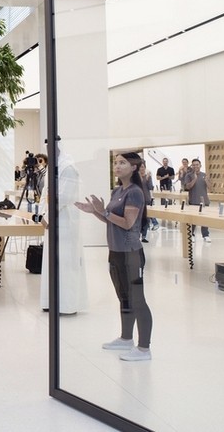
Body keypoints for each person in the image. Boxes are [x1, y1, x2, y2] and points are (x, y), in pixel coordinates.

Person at [74, 151, 153, 361]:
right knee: (123, 297)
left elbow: (127, 224)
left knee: (138, 300)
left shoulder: (135, 192)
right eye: (115, 163)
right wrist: (95, 211)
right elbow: (111, 220)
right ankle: (126, 339)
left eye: (122, 163)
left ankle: (144, 348)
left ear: (134, 167)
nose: (117, 166)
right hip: (115, 252)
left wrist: (105, 212)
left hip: (131, 253)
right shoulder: (117, 190)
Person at [40, 146, 88, 314]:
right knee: (51, 262)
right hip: (52, 220)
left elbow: (65, 197)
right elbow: (45, 194)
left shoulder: (68, 167)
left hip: (65, 222)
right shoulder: (50, 167)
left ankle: (67, 304)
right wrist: (42, 215)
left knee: (66, 262)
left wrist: (47, 216)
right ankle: (50, 301)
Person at [182, 158, 211, 242]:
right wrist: (194, 179)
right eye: (194, 165)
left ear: (200, 165)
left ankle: (205, 235)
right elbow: (188, 187)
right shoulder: (188, 175)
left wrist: (206, 180)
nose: (195, 166)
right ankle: (191, 234)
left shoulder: (204, 175)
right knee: (193, 220)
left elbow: (210, 187)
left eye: (197, 165)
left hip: (204, 201)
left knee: (205, 220)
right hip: (193, 200)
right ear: (192, 166)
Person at [139, 162, 155, 242]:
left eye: (143, 167)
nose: (142, 169)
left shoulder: (148, 176)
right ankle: (137, 235)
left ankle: (144, 236)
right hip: (137, 200)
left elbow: (150, 187)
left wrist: (148, 179)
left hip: (146, 199)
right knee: (138, 219)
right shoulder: (135, 177)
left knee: (146, 218)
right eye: (140, 167)